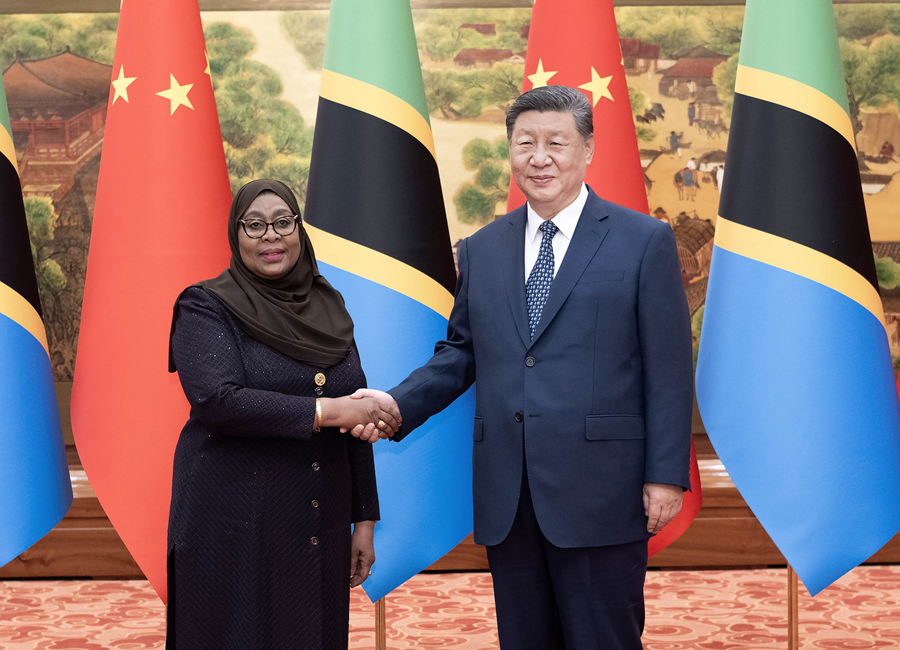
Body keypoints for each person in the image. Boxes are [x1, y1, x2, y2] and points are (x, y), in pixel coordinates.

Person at [353, 86, 693, 650]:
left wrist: (665, 475)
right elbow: (462, 352)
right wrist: (395, 403)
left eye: (556, 143)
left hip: (601, 492)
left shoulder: (643, 241)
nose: (539, 158)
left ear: (587, 149)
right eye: (525, 143)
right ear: (510, 151)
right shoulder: (483, 248)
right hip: (509, 495)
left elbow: (669, 368)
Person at [165, 180, 400, 650]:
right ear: (236, 235)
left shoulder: (329, 305)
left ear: (299, 230)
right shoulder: (205, 305)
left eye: (282, 222)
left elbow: (354, 414)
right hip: (232, 524)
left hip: (318, 522)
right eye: (253, 225)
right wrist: (327, 410)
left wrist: (364, 522)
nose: (270, 235)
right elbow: (219, 401)